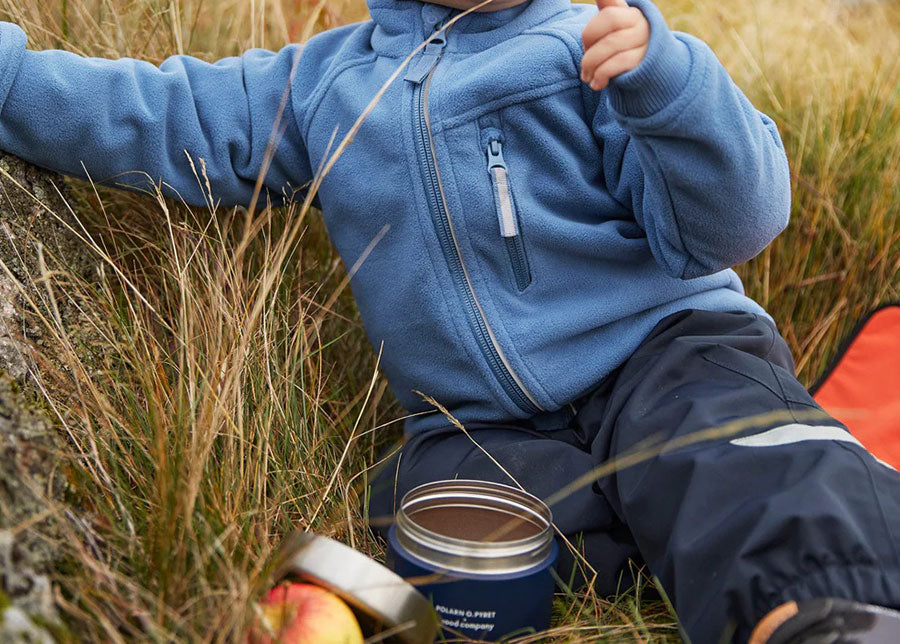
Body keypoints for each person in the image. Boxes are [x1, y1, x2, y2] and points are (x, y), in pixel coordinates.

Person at [0, 0, 898, 640]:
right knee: (430, 524)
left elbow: (735, 226)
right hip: (477, 418)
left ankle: (822, 611)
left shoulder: (595, 45)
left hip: (667, 352)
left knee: (739, 453)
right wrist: (12, 79)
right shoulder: (323, 82)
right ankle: (645, 547)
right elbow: (162, 117)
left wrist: (674, 91)